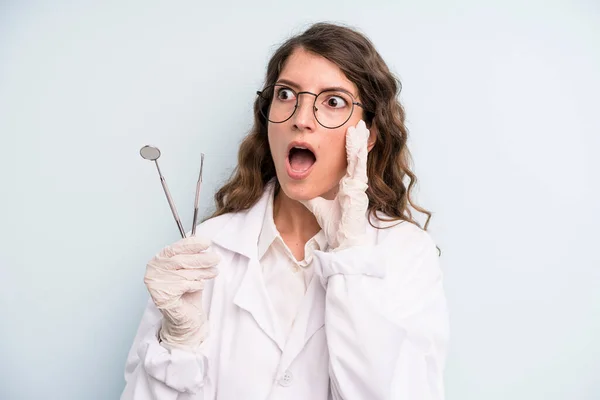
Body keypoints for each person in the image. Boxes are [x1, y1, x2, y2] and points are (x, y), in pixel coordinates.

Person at [121, 22, 449, 400]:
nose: (300, 118)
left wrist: (351, 259)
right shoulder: (206, 250)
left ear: (368, 135)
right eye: (286, 94)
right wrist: (178, 344)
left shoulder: (405, 253)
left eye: (333, 101)